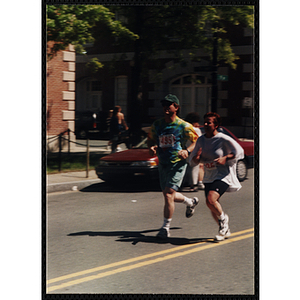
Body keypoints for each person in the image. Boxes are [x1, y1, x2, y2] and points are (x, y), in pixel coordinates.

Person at [147, 94, 199, 239]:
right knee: (168, 194)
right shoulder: (157, 125)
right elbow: (150, 140)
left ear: (176, 107)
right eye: (164, 105)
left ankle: (165, 228)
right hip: (162, 163)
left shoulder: (183, 125)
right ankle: (190, 201)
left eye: (169, 105)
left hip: (177, 163)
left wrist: (187, 151)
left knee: (169, 194)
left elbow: (197, 141)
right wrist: (152, 147)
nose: (165, 107)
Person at [190, 112, 244, 241]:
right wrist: (197, 157)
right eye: (205, 122)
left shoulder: (223, 138)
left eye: (210, 122)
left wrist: (225, 157)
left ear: (216, 125)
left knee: (211, 198)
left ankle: (224, 222)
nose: (207, 124)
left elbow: (239, 151)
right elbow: (193, 161)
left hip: (223, 175)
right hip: (209, 175)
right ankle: (225, 228)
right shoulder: (201, 140)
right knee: (211, 204)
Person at [184, 112, 204, 192]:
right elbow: (199, 141)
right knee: (194, 168)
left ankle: (189, 183)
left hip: (187, 149)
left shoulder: (185, 129)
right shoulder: (196, 130)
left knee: (189, 167)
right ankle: (193, 185)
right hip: (195, 150)